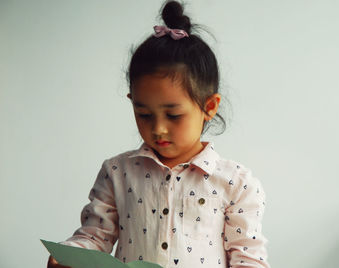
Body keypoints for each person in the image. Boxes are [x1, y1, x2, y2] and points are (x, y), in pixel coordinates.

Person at [47, 1, 270, 267]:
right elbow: (94, 236)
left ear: (209, 107)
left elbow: (249, 258)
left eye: (173, 115)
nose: (158, 128)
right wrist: (69, 256)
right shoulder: (117, 172)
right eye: (144, 113)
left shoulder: (236, 183)